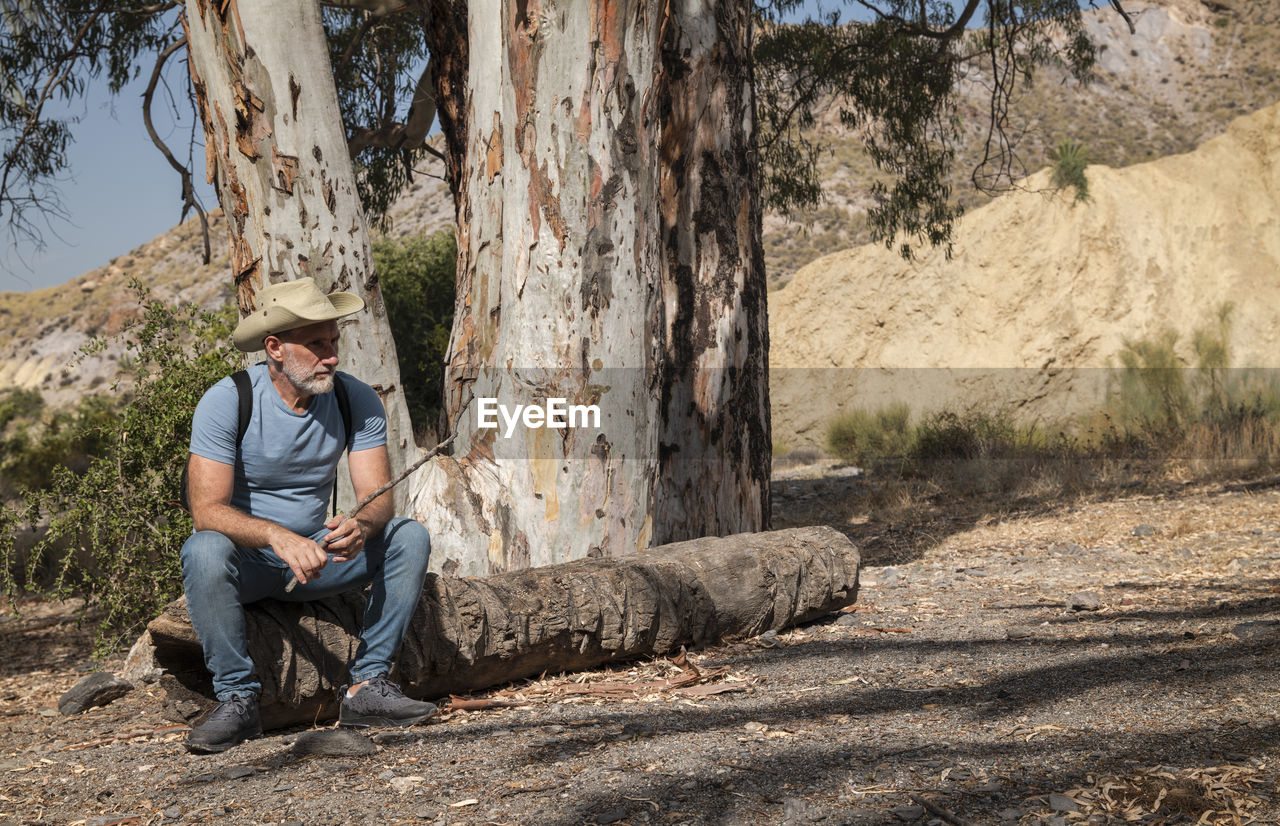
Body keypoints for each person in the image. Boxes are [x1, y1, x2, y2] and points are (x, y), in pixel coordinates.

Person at [180, 278, 435, 754]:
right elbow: (206, 512)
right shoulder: (227, 400)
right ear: (275, 348)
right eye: (316, 344)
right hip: (252, 561)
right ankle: (237, 701)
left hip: (320, 558)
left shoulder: (354, 399)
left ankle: (367, 688)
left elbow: (377, 496)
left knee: (407, 536)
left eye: (333, 341)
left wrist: (362, 524)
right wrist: (277, 536)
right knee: (204, 549)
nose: (332, 355)